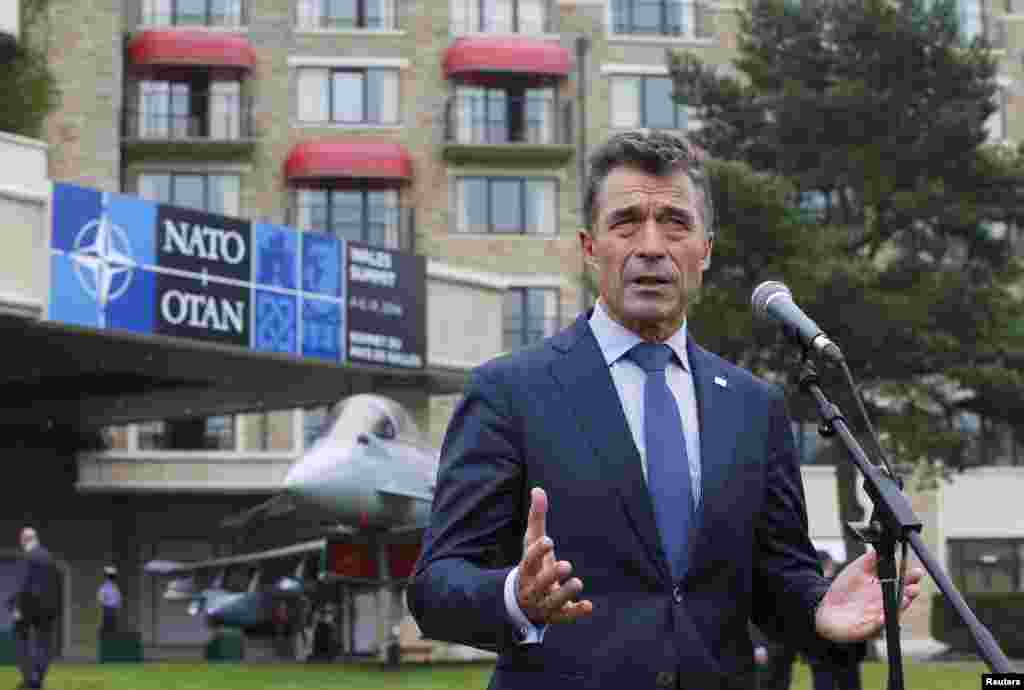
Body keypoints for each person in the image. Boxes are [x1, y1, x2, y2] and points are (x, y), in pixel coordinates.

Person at [407, 129, 924, 690]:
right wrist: (514, 596)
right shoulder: (508, 392)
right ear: (590, 246)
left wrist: (819, 609)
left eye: (676, 223)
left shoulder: (754, 406)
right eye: (626, 221)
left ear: (705, 250)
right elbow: (437, 584)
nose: (651, 245)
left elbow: (778, 578)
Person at [6, 528, 60, 689]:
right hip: (48, 608)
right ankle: (38, 680)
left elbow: (22, 583)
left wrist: (15, 606)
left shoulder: (26, 556)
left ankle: (29, 679)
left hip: (27, 606)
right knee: (44, 644)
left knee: (20, 641)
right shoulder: (50, 557)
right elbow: (56, 585)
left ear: (24, 539)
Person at [809, 551, 868, 690]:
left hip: (820, 651)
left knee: (823, 684)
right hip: (846, 649)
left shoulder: (809, 590)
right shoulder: (847, 588)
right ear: (830, 564)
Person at [750, 622, 796, 690]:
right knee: (763, 683)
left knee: (783, 683)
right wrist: (758, 644)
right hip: (765, 650)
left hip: (785, 650)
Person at [97, 565, 121, 638]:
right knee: (109, 628)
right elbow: (101, 599)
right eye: (111, 576)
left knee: (111, 629)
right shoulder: (109, 587)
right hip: (109, 609)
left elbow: (101, 599)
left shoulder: (112, 587)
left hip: (111, 609)